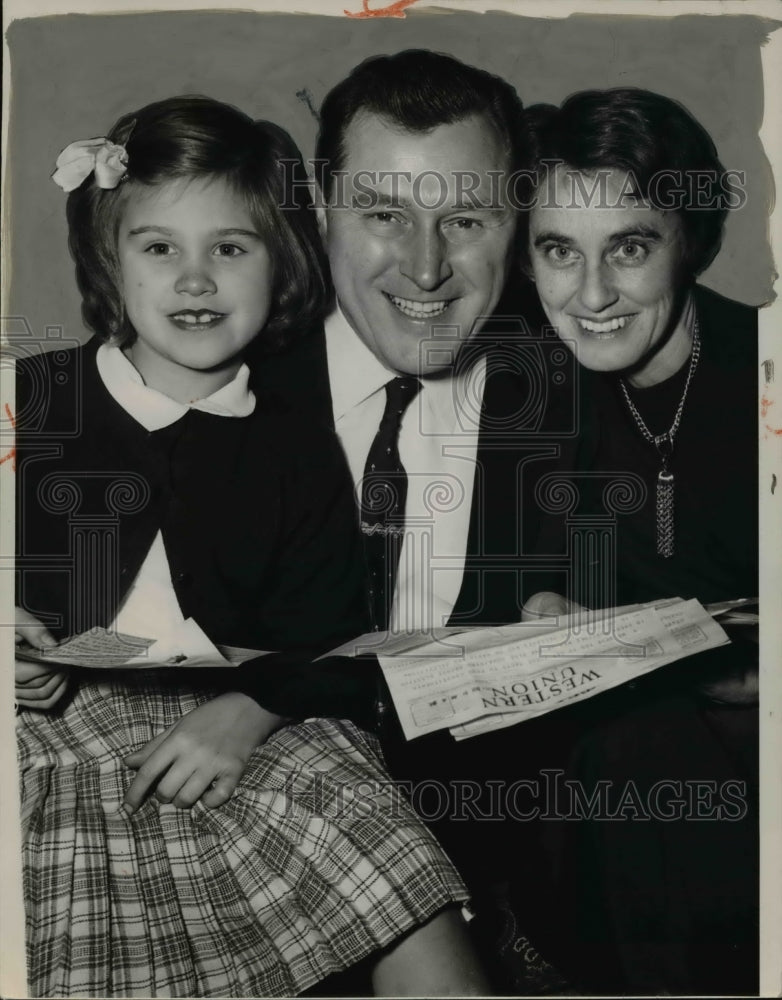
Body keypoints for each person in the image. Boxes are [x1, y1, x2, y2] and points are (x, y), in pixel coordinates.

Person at [14, 95, 491, 998]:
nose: (195, 280)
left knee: (367, 828)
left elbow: (338, 639)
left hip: (247, 707)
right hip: (56, 732)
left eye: (229, 249)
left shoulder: (294, 442)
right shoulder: (30, 405)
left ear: (282, 266)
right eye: (160, 249)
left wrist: (251, 707)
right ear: (111, 267)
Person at [517, 88, 759, 994]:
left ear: (686, 238)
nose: (591, 296)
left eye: (629, 247)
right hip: (610, 776)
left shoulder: (764, 370)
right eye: (557, 251)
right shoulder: (528, 387)